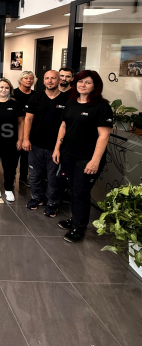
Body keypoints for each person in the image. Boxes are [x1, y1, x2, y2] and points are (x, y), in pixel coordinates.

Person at [53, 70, 113, 243]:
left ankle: (79, 227)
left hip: (87, 158)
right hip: (69, 155)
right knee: (72, 189)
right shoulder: (71, 103)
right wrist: (57, 149)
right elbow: (64, 126)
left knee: (81, 191)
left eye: (87, 82)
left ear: (95, 86)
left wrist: (95, 161)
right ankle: (75, 219)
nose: (83, 85)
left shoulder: (101, 107)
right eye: (80, 81)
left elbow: (104, 136)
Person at [23, 70, 69, 217]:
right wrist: (25, 139)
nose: (50, 81)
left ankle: (52, 203)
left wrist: (60, 147)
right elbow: (28, 119)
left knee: (54, 177)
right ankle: (37, 198)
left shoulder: (67, 100)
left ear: (59, 81)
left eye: (53, 78)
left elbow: (66, 125)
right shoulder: (35, 98)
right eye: (47, 78)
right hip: (36, 145)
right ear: (43, 81)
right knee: (35, 175)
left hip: (56, 147)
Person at [13, 70, 37, 188]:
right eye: (26, 78)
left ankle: (23, 177)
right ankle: (11, 176)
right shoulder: (13, 93)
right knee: (14, 154)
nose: (29, 80)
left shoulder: (36, 95)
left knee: (26, 155)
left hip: (29, 128)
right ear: (21, 80)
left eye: (31, 78)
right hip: (14, 128)